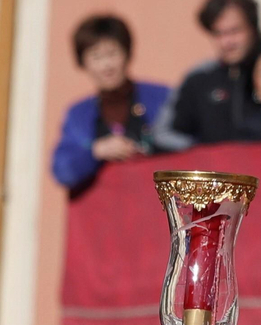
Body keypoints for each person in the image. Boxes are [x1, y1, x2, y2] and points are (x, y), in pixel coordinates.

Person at [51, 14, 171, 193]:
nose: (107, 65)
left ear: (127, 54)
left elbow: (187, 145)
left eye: (112, 54)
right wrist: (95, 151)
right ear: (83, 63)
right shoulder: (78, 115)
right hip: (103, 214)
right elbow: (62, 170)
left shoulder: (161, 98)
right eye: (96, 57)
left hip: (154, 207)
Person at [154, 0, 261, 148]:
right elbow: (163, 134)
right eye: (218, 34)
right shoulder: (200, 78)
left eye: (235, 31)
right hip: (214, 171)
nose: (227, 42)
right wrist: (200, 153)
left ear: (253, 29)